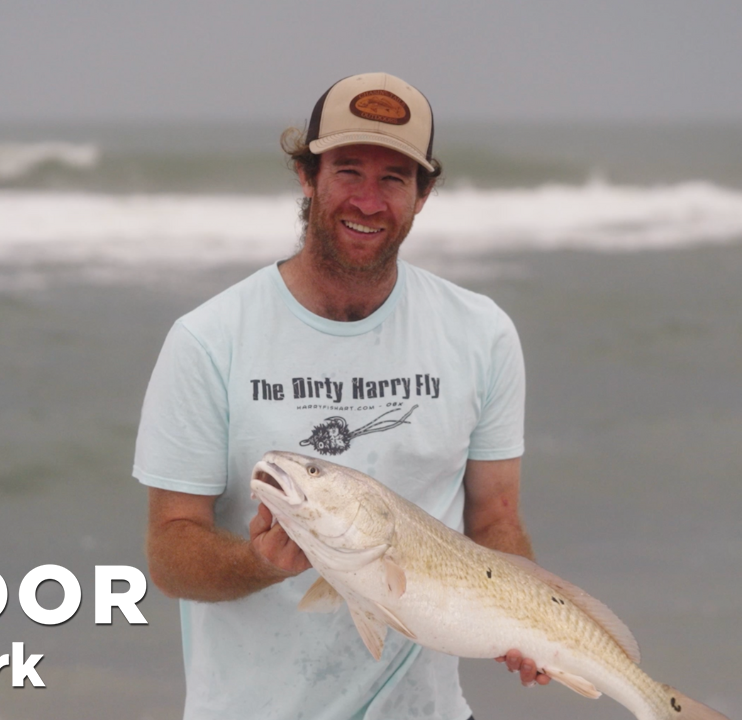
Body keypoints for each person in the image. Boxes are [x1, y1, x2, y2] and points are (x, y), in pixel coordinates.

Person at [134, 72, 548, 720]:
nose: (368, 200)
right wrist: (260, 562)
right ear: (308, 175)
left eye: (394, 178)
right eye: (348, 171)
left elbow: (495, 520)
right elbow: (170, 551)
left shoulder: (480, 333)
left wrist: (529, 619)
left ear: (422, 194)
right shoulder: (209, 340)